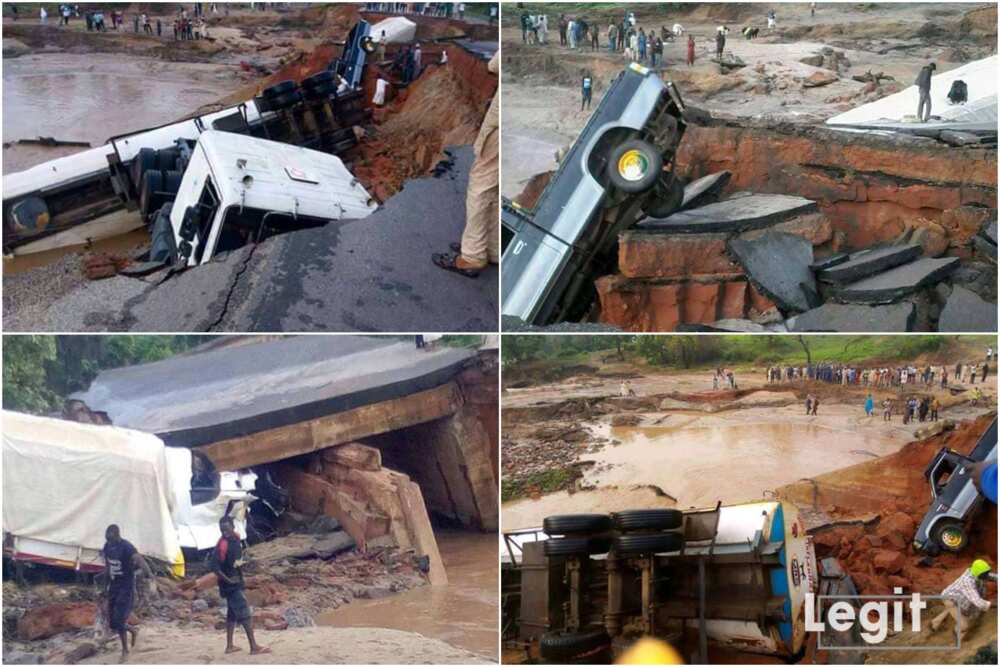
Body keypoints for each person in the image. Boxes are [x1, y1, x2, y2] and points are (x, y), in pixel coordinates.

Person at [432, 52, 498, 278]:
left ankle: (472, 256)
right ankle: (491, 248)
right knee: (495, 191)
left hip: (500, 127)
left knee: (480, 188)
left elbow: (493, 65)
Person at [214, 517, 270, 655]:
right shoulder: (223, 544)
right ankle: (254, 647)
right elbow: (215, 567)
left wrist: (243, 561)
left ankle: (229, 646)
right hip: (231, 586)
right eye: (222, 530)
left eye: (226, 529)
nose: (224, 532)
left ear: (233, 527)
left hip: (235, 582)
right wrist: (229, 580)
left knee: (232, 614)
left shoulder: (234, 541)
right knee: (245, 614)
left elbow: (234, 563)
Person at [102, 524, 154, 663]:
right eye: (107, 539)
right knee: (112, 623)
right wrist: (104, 588)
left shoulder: (126, 547)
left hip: (126, 587)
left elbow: (139, 559)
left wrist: (149, 574)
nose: (109, 541)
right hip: (114, 586)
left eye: (111, 539)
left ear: (117, 536)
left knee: (119, 620)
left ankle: (125, 650)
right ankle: (132, 630)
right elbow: (107, 568)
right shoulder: (107, 547)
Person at [931, 559, 994, 639]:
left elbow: (992, 576)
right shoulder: (968, 582)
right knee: (964, 625)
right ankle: (957, 635)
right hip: (950, 599)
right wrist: (995, 604)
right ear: (978, 573)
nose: (987, 576)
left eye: (987, 573)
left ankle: (934, 623)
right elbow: (978, 602)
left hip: (959, 598)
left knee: (960, 610)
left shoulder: (978, 573)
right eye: (985, 574)